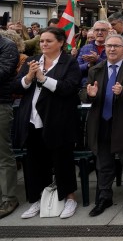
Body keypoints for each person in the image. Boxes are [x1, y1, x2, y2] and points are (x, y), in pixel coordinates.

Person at [14, 27, 81, 219]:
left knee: (62, 160)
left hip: (58, 120)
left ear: (60, 43)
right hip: (32, 119)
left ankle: (69, 198)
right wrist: (28, 78)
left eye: (48, 41)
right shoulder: (31, 61)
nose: (44, 44)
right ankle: (37, 200)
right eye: (42, 41)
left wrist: (43, 79)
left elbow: (70, 87)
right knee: (35, 162)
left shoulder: (69, 62)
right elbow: (16, 86)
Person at [81, 34, 123, 217]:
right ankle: (104, 197)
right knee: (103, 164)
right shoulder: (97, 69)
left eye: (116, 46)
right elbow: (84, 93)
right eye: (109, 46)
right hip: (101, 122)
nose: (111, 49)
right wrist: (89, 95)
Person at [0, 32, 19, 219]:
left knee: (3, 154)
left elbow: (3, 72)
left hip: (1, 104)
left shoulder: (7, 46)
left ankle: (9, 198)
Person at [78, 21, 110, 86]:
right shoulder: (85, 48)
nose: (100, 32)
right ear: (93, 32)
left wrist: (97, 60)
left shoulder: (113, 47)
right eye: (97, 30)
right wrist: (88, 65)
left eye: (103, 30)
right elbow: (76, 68)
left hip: (107, 84)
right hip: (86, 85)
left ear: (108, 32)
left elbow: (114, 67)